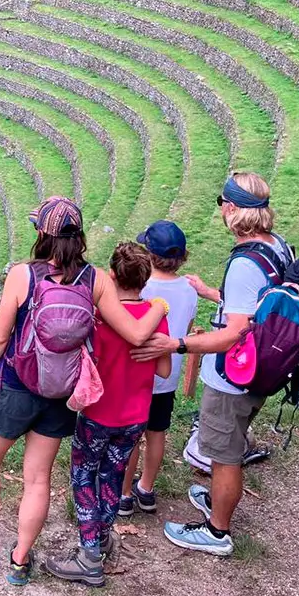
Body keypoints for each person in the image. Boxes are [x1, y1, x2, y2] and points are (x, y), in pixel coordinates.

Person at [0, 197, 167, 585]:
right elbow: (133, 333)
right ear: (79, 236)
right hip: (62, 394)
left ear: (41, 234)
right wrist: (159, 307)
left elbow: (0, 336)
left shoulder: (22, 275)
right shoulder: (95, 279)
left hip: (15, 383)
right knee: (38, 478)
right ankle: (20, 560)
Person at [131, 172, 291, 557]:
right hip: (264, 363)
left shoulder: (243, 264)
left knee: (224, 453)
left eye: (222, 203)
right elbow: (254, 306)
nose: (220, 210)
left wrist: (180, 344)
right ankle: (218, 495)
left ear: (233, 209)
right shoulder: (277, 247)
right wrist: (210, 293)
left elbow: (233, 332)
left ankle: (217, 531)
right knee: (228, 445)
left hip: (234, 374)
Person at [44, 242, 171, 587]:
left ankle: (88, 557)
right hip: (135, 416)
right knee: (114, 475)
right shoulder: (155, 315)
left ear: (111, 275)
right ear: (145, 280)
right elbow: (163, 369)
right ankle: (102, 537)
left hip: (99, 414)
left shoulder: (100, 319)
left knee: (84, 476)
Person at [118, 221, 198, 517]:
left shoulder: (144, 286)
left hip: (137, 374)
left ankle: (124, 495)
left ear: (149, 255)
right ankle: (147, 490)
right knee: (157, 432)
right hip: (169, 375)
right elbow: (187, 329)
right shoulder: (189, 289)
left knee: (131, 435)